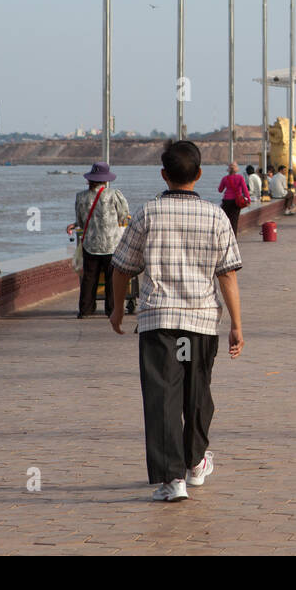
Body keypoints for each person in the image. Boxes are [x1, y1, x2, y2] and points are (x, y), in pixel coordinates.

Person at [109, 140, 244, 503]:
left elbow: (121, 266)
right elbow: (227, 275)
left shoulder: (147, 213)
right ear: (199, 175)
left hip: (159, 322)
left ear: (164, 175)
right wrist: (236, 324)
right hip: (200, 322)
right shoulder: (216, 216)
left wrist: (118, 309)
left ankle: (172, 480)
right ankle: (196, 462)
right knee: (197, 393)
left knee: (162, 398)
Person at [73, 162, 131, 318]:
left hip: (90, 244)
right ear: (105, 180)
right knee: (111, 278)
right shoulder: (114, 194)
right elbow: (124, 215)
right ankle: (111, 309)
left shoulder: (81, 196)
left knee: (89, 278)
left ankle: (85, 310)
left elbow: (79, 220)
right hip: (112, 244)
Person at [217, 162, 250, 231]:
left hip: (226, 201)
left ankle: (225, 235)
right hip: (236, 201)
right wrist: (248, 200)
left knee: (225, 220)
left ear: (228, 170)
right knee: (234, 221)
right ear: (237, 169)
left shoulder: (225, 178)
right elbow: (245, 189)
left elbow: (220, 190)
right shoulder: (240, 177)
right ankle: (233, 238)